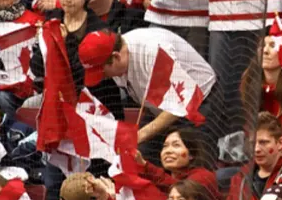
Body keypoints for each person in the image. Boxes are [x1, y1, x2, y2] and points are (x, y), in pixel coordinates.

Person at [78, 28, 217, 145]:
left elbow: (181, 102)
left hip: (199, 103)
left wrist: (141, 134)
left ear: (116, 57)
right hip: (160, 110)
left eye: (102, 71)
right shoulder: (116, 59)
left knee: (191, 161)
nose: (102, 77)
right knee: (139, 156)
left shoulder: (153, 52)